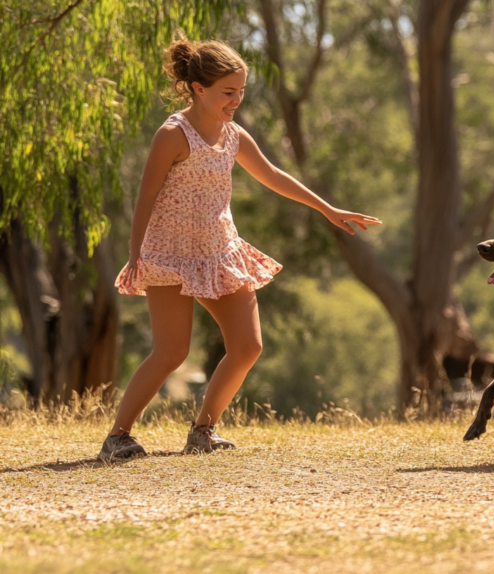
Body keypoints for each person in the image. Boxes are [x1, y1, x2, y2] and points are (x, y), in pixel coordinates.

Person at [98, 36, 381, 461]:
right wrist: (137, 254)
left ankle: (203, 431)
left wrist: (328, 210)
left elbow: (272, 176)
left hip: (220, 250)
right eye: (228, 92)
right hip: (171, 253)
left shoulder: (233, 136)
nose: (236, 100)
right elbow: (146, 196)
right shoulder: (173, 135)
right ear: (198, 88)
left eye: (241, 91)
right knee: (172, 351)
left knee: (248, 347)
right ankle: (118, 437)